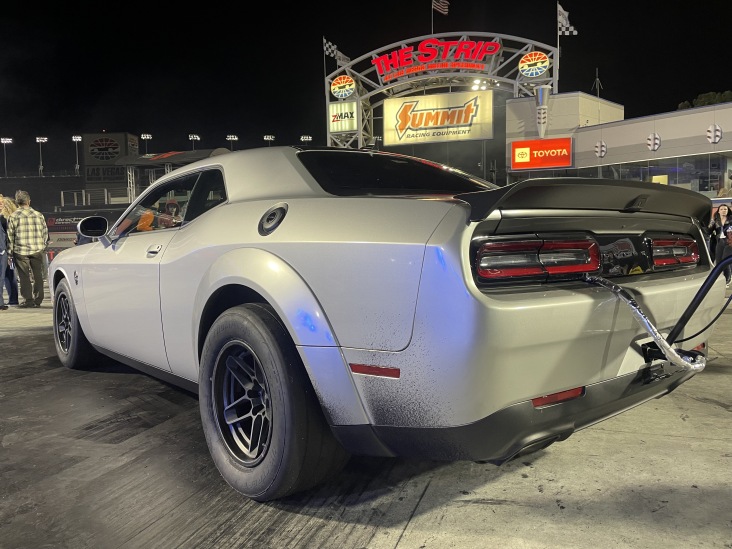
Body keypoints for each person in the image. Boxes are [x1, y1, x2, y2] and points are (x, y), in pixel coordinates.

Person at [7, 190, 48, 308]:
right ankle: (38, 300)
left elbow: (10, 236)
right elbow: (45, 233)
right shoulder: (39, 215)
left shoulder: (13, 216)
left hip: (20, 251)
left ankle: (28, 300)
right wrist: (42, 246)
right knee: (38, 275)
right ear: (29, 201)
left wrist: (10, 253)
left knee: (24, 276)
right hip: (37, 249)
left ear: (16, 202)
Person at [0, 197, 19, 305]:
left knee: (6, 275)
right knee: (10, 274)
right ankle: (13, 299)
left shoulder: (3, 218)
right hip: (11, 249)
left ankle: (6, 300)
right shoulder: (13, 217)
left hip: (5, 250)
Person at [709, 203, 732, 287]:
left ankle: (727, 279)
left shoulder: (731, 219)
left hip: (729, 242)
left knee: (725, 259)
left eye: (725, 209)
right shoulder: (716, 221)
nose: (723, 211)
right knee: (719, 261)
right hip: (719, 241)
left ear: (728, 211)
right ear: (718, 211)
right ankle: (720, 278)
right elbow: (709, 231)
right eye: (721, 209)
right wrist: (709, 224)